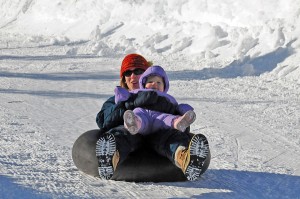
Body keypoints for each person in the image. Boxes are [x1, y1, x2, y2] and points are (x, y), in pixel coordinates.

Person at [95, 53, 209, 181]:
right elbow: (103, 121)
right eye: (127, 73)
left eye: (137, 71)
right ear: (123, 78)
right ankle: (111, 158)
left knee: (171, 136)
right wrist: (129, 104)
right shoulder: (119, 98)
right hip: (133, 137)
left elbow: (182, 125)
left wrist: (175, 117)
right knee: (122, 133)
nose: (132, 76)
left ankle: (185, 158)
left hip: (159, 138)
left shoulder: (164, 99)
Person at [114, 65, 196, 135]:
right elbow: (126, 96)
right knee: (137, 113)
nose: (154, 84)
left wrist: (185, 109)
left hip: (160, 116)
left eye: (159, 82)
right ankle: (134, 123)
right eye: (150, 81)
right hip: (143, 112)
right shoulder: (138, 92)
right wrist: (120, 93)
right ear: (144, 85)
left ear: (164, 87)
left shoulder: (168, 97)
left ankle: (178, 122)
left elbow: (176, 107)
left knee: (168, 118)